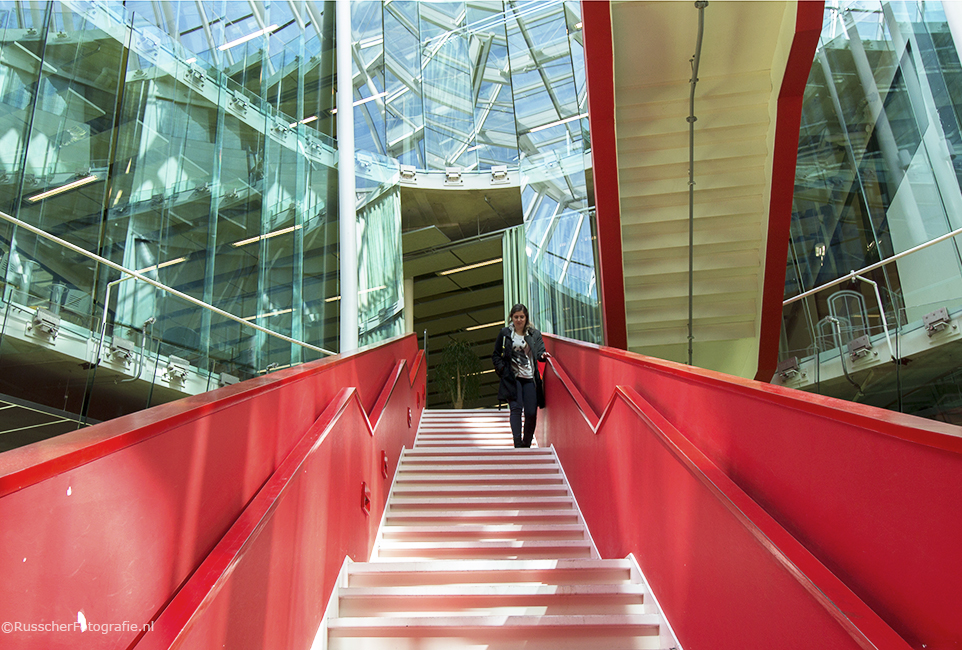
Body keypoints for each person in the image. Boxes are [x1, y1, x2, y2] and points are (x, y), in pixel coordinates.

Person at [491, 304, 550, 448]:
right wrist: (502, 369)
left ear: (526, 318)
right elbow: (496, 355)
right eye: (516, 317)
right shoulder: (505, 333)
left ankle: (526, 443)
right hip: (513, 378)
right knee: (516, 408)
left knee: (531, 412)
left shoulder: (534, 334)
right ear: (511, 317)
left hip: (530, 378)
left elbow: (540, 351)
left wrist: (543, 355)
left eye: (521, 317)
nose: (519, 320)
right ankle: (517, 442)